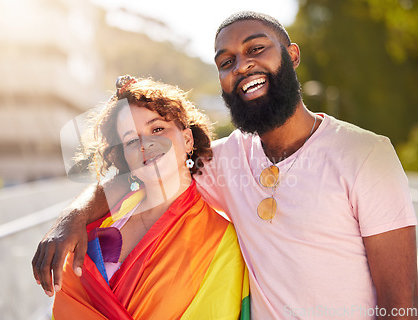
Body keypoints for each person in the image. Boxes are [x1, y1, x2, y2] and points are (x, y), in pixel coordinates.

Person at [33, 11, 418, 319]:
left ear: (292, 54)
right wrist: (71, 221)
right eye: (226, 61)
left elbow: (402, 304)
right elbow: (136, 177)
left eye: (257, 49)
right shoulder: (227, 159)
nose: (243, 65)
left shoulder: (367, 155)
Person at [49, 76, 250, 319]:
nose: (145, 144)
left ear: (187, 139)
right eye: (132, 140)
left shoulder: (222, 241)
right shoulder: (99, 221)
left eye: (157, 129)